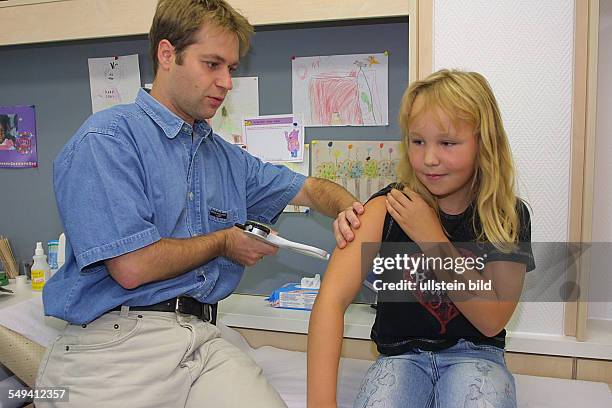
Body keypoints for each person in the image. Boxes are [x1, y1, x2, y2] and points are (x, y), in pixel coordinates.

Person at [36, 1, 364, 407]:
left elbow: (310, 189)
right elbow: (132, 267)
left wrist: (350, 208)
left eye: (231, 68)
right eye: (212, 65)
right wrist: (225, 242)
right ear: (167, 54)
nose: (226, 82)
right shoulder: (108, 140)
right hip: (119, 340)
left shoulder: (226, 159)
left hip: (201, 337)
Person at [307, 69, 535, 408]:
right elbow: (330, 302)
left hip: (476, 355)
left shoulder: (506, 216)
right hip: (400, 357)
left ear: (483, 143)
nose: (429, 159)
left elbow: (491, 320)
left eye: (447, 143)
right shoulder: (385, 208)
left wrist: (430, 236)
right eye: (417, 142)